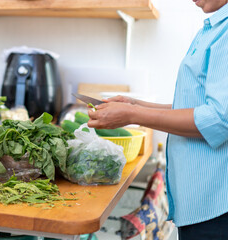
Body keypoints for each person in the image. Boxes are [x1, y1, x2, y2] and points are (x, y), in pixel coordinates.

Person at [87, 0, 228, 239]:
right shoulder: (212, 28)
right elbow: (195, 108)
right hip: (200, 200)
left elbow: (217, 119)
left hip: (214, 204)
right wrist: (136, 105)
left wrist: (133, 115)